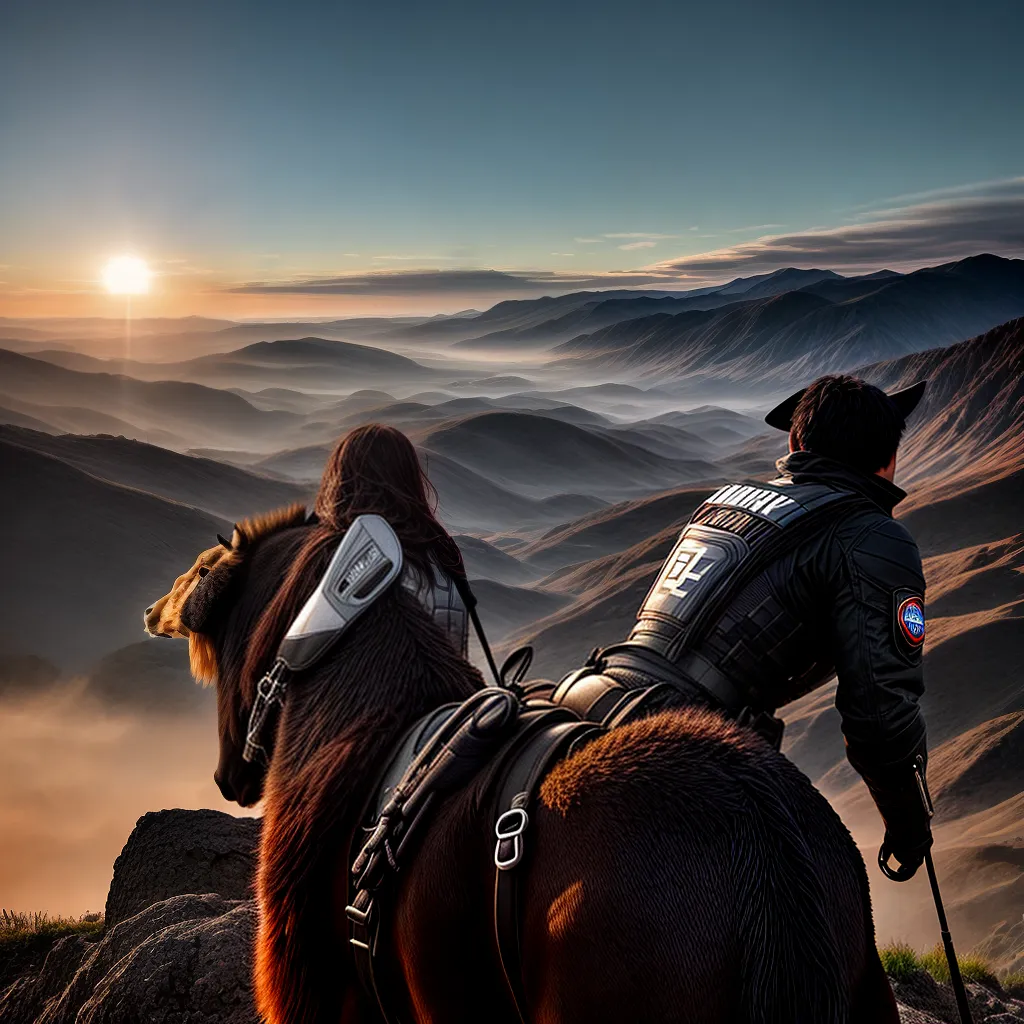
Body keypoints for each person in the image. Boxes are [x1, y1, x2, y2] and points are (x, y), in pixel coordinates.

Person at [552, 374, 933, 880]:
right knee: (816, 906)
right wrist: (909, 826)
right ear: (889, 458)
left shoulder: (727, 500)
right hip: (686, 745)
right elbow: (880, 714)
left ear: (795, 443)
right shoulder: (874, 537)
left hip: (589, 695)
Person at [242, 423, 472, 691]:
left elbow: (276, 656)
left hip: (364, 703)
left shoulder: (330, 552)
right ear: (410, 477)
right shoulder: (441, 550)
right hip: (451, 700)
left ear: (340, 480)